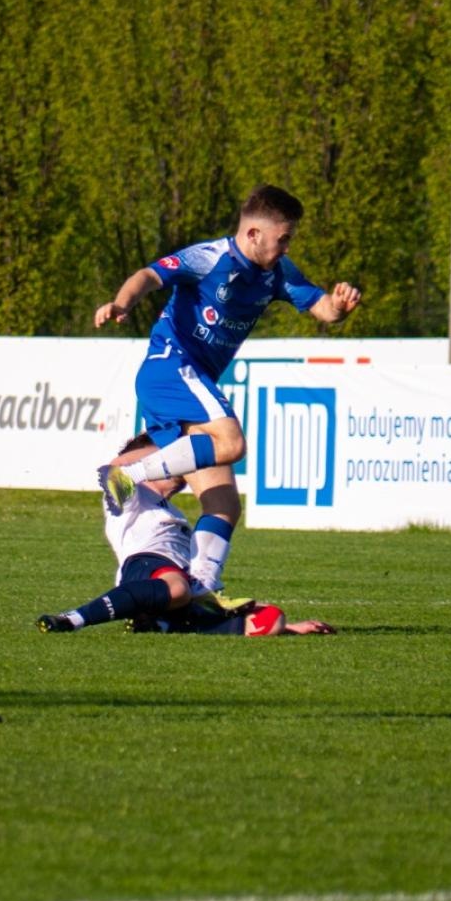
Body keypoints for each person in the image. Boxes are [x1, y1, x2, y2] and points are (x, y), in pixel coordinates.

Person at [93, 186, 361, 596]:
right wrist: (122, 302)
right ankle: (129, 475)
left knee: (224, 505)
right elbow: (150, 274)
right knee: (231, 442)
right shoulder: (210, 257)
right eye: (283, 238)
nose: (287, 246)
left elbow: (322, 308)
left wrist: (340, 305)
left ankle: (201, 589)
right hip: (171, 366)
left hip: (189, 378)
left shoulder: (278, 273)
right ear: (254, 234)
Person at [37, 434, 335, 637]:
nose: (183, 466)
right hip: (145, 567)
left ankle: (161, 622)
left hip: (181, 583)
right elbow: (112, 469)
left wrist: (292, 629)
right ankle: (72, 619)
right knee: (177, 589)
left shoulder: (174, 511)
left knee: (273, 620)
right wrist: (171, 442)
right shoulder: (131, 495)